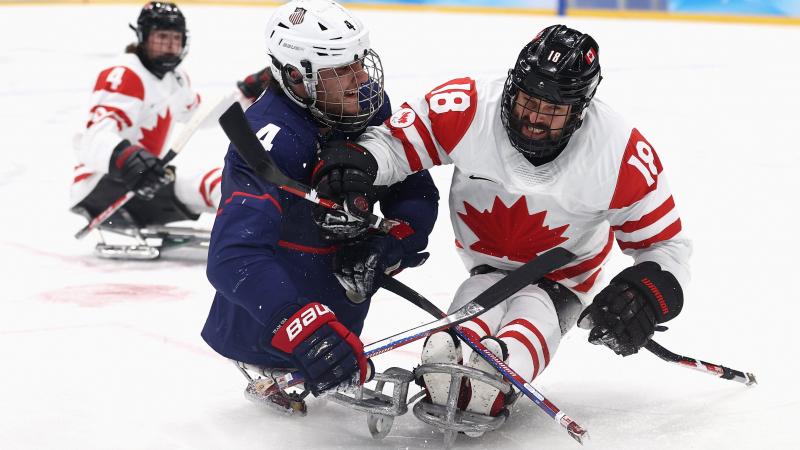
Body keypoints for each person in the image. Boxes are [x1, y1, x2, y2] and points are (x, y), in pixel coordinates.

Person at [311, 24, 691, 431]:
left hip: (562, 281)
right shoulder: (470, 106)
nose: (533, 119)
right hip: (485, 271)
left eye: (553, 110)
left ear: (580, 110)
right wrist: (359, 165)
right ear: (512, 85)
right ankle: (451, 357)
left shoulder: (618, 153)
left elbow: (665, 246)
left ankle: (500, 368)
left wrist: (644, 294)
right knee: (458, 332)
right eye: (528, 100)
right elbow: (395, 144)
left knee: (533, 314)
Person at [201, 0, 438, 408]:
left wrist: (391, 243)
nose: (361, 78)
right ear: (296, 77)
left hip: (339, 323)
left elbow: (415, 191)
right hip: (271, 330)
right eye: (341, 70)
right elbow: (233, 257)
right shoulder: (271, 137)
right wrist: (304, 330)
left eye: (359, 62)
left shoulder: (366, 105)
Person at [71, 2, 272, 245]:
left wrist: (247, 93)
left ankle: (261, 228)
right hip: (105, 187)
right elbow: (93, 138)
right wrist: (129, 159)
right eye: (161, 36)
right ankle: (259, 237)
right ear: (143, 37)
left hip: (145, 181)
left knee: (227, 181)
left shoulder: (174, 78)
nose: (169, 45)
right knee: (222, 183)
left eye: (175, 38)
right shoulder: (125, 75)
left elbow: (200, 116)